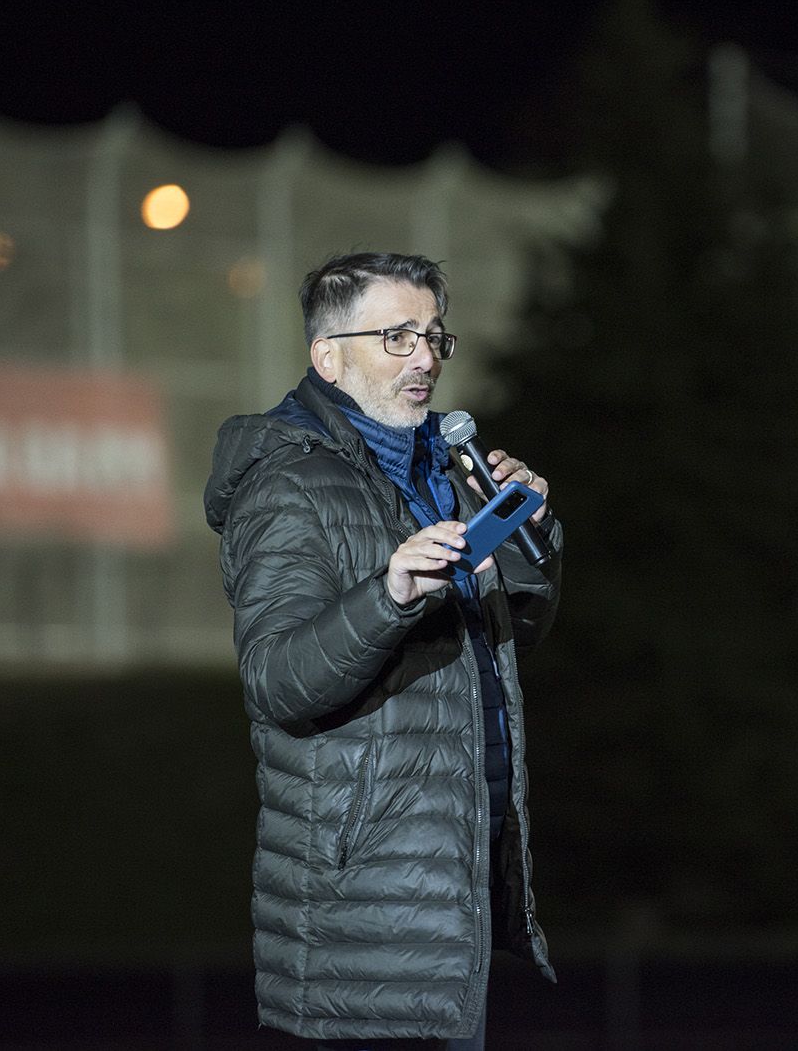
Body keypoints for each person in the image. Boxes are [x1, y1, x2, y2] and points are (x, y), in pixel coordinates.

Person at [204, 252, 562, 1048]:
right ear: (328, 356)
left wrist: (533, 540)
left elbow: (506, 647)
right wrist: (389, 594)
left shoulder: (449, 467)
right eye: (396, 337)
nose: (426, 358)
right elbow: (279, 682)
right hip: (357, 923)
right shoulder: (287, 483)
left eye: (434, 336)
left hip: (447, 902)